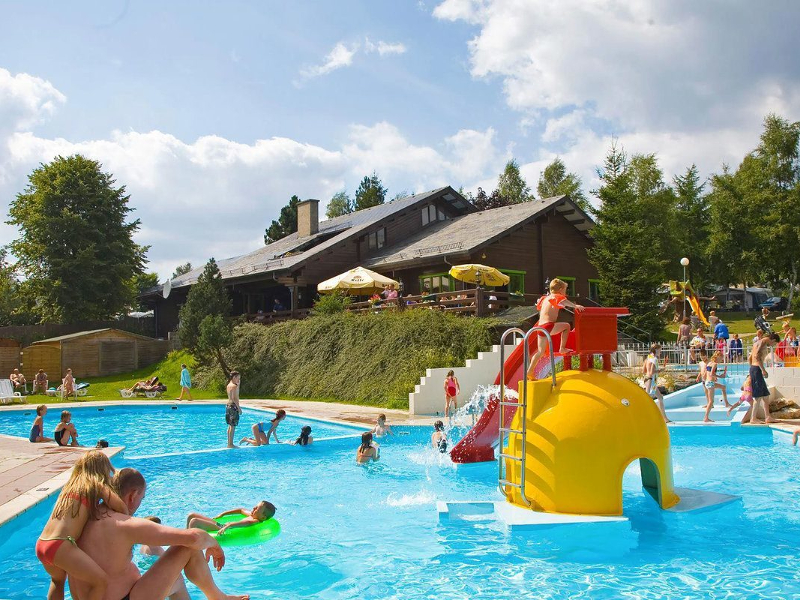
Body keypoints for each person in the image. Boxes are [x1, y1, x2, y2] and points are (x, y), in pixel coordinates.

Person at [69, 467, 248, 600]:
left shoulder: (86, 515)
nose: (140, 503)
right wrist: (215, 545)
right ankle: (218, 598)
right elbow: (193, 537)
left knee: (176, 580)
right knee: (188, 546)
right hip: (124, 598)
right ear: (132, 495)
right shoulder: (123, 524)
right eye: (142, 498)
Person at [36, 450, 128, 600]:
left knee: (57, 581)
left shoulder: (70, 487)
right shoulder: (95, 484)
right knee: (100, 582)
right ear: (102, 469)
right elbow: (122, 508)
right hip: (60, 545)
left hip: (42, 544)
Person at [527, 278, 585, 380]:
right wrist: (576, 306)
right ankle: (562, 348)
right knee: (566, 326)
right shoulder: (557, 296)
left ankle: (530, 371)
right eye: (565, 290)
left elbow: (543, 307)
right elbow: (565, 302)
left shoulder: (545, 298)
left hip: (540, 327)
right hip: (548, 325)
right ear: (561, 289)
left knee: (540, 352)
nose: (565, 292)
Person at [139, 517, 191, 600]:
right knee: (179, 578)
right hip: (157, 581)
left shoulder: (144, 546)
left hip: (147, 578)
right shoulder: (156, 548)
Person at [746, 332, 780, 424]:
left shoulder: (756, 343)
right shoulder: (763, 342)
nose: (773, 345)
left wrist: (751, 369)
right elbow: (757, 356)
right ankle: (753, 418)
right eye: (774, 343)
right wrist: (763, 370)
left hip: (754, 368)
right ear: (773, 340)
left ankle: (768, 417)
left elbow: (750, 358)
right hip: (757, 369)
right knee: (758, 396)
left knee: (765, 395)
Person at [186, 501, 276, 534]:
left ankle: (187, 545)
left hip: (223, 529)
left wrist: (229, 525)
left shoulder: (255, 520)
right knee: (191, 515)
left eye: (257, 509)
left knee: (194, 521)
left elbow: (246, 523)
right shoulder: (252, 515)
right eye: (255, 506)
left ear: (263, 517)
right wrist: (223, 514)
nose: (253, 508)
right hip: (223, 525)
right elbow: (241, 510)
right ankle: (185, 536)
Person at [642, 345, 671, 423]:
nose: (660, 352)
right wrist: (660, 370)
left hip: (648, 380)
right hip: (651, 380)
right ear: (656, 350)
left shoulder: (648, 358)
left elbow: (644, 371)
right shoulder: (654, 359)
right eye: (660, 350)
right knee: (647, 399)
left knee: (660, 398)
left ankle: (664, 418)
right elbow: (651, 372)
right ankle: (645, 417)